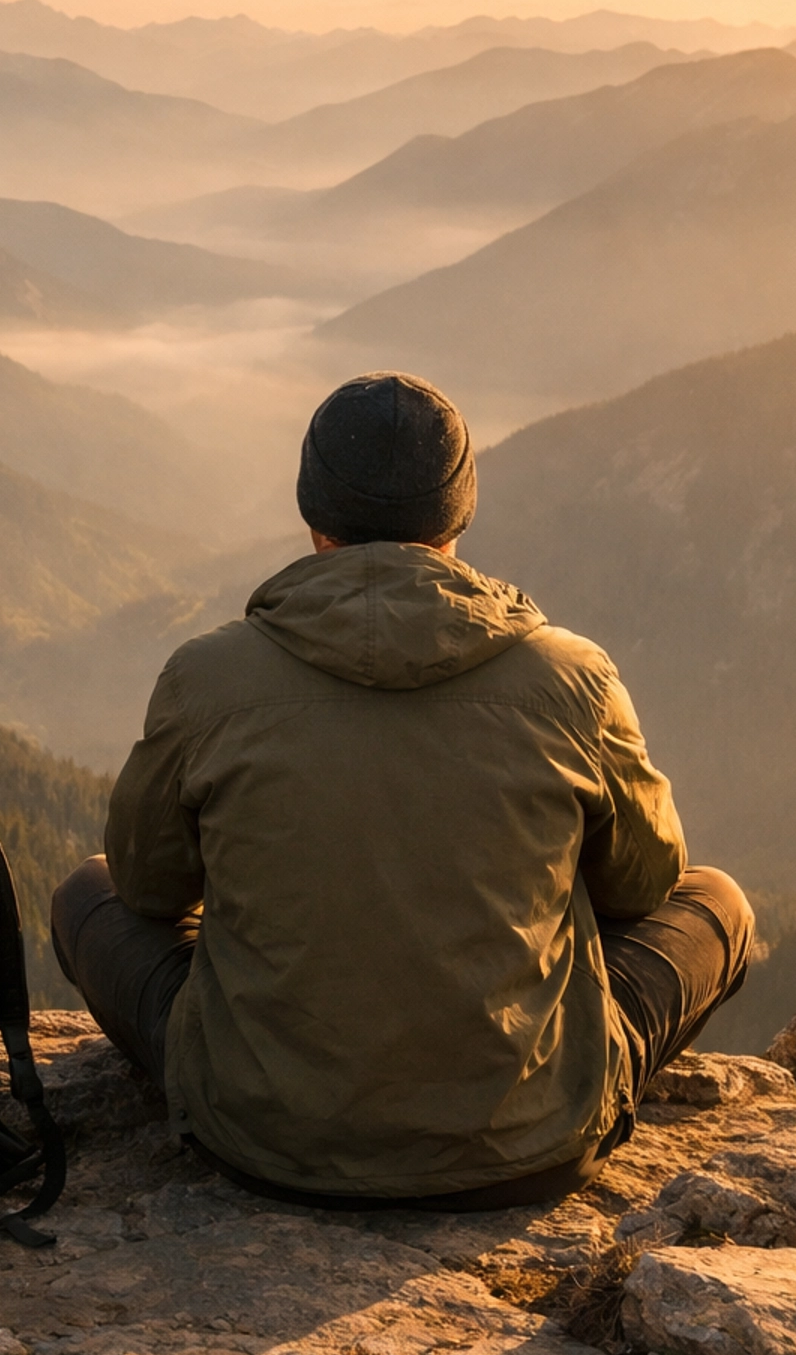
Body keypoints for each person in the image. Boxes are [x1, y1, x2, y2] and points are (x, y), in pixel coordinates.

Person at [51, 371, 752, 1211]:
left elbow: (147, 885)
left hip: (263, 1140)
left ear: (315, 517)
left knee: (85, 892)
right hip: (530, 1145)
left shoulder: (207, 678)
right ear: (457, 516)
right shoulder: (571, 677)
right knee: (718, 902)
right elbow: (642, 885)